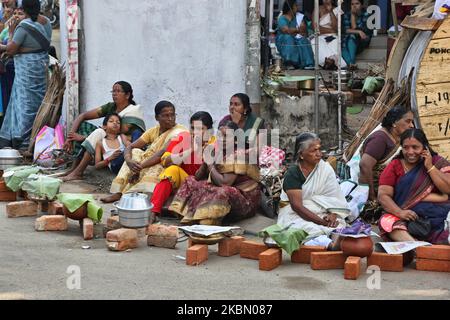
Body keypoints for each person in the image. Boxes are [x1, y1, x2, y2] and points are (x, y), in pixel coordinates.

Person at [168, 121, 261, 225]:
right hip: (226, 187)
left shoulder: (238, 155)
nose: (223, 139)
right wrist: (206, 159)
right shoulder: (218, 151)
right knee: (190, 181)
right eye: (220, 135)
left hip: (246, 200)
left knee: (222, 191)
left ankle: (208, 218)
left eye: (227, 136)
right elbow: (198, 177)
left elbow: (225, 183)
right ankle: (188, 213)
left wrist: (210, 164)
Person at [101, 101, 187, 203]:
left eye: (172, 115)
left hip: (166, 164)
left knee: (157, 164)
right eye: (166, 116)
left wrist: (139, 167)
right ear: (157, 118)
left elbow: (162, 153)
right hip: (149, 161)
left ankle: (135, 195)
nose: (170, 119)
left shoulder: (178, 131)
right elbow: (130, 146)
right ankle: (118, 193)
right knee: (135, 152)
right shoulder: (154, 130)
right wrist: (129, 160)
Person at [278, 132, 350, 249]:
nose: (319, 154)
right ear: (301, 155)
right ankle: (328, 244)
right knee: (302, 228)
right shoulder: (293, 174)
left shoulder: (325, 168)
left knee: (339, 223)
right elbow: (297, 207)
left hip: (321, 212)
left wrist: (333, 214)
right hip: (295, 215)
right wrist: (322, 222)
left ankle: (331, 240)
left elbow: (335, 197)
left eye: (319, 149)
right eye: (313, 151)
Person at [62, 81, 145, 181]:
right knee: (83, 126)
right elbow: (82, 116)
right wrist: (69, 139)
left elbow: (116, 131)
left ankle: (78, 172)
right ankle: (74, 169)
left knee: (99, 132)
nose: (114, 94)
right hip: (108, 141)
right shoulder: (111, 106)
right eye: (113, 91)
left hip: (122, 146)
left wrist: (84, 138)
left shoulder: (133, 110)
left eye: (118, 91)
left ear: (127, 95)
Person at [378, 129, 450, 245]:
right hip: (407, 218)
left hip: (439, 217)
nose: (410, 152)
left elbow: (448, 189)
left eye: (415, 147)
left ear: (424, 147)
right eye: (406, 147)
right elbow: (383, 195)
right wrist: (400, 212)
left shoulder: (437, 163)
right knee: (386, 221)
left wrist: (430, 167)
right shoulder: (395, 165)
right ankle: (417, 247)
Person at [0, 0, 51, 149]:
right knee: (36, 101)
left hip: (26, 69)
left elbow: (10, 50)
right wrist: (24, 50)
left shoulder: (24, 26)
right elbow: (43, 46)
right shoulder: (47, 22)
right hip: (40, 67)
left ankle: (22, 140)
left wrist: (10, 33)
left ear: (26, 9)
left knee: (24, 103)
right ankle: (36, 135)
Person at [359, 106, 414, 221]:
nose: (411, 125)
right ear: (394, 122)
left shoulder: (397, 138)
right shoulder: (380, 139)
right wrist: (372, 197)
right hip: (379, 191)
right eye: (407, 121)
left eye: (412, 122)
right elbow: (365, 165)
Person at [275, 0, 314, 69]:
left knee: (303, 40)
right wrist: (297, 30)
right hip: (283, 39)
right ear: (290, 8)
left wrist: (301, 29)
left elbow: (303, 31)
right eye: (295, 6)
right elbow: (285, 30)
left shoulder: (297, 17)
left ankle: (307, 63)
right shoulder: (282, 18)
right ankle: (289, 62)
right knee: (288, 38)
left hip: (295, 37)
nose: (297, 7)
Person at [0, 4, 21, 127]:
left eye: (20, 13)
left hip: (12, 68)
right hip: (6, 67)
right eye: (15, 13)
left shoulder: (21, 30)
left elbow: (10, 49)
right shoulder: (7, 29)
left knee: (10, 98)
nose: (16, 16)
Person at [310, 0, 347, 69]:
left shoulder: (337, 9)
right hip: (320, 36)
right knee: (314, 43)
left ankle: (330, 62)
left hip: (333, 36)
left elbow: (337, 27)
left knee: (334, 43)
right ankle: (330, 61)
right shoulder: (317, 9)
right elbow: (315, 28)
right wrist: (331, 30)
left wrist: (331, 12)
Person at [342, 0, 372, 68]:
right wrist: (358, 31)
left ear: (361, 5)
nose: (354, 6)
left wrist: (353, 15)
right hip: (349, 40)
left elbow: (359, 30)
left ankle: (351, 63)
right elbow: (346, 30)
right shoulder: (347, 14)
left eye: (357, 4)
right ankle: (352, 64)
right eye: (352, 4)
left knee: (351, 37)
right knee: (343, 45)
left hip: (362, 40)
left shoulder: (366, 14)